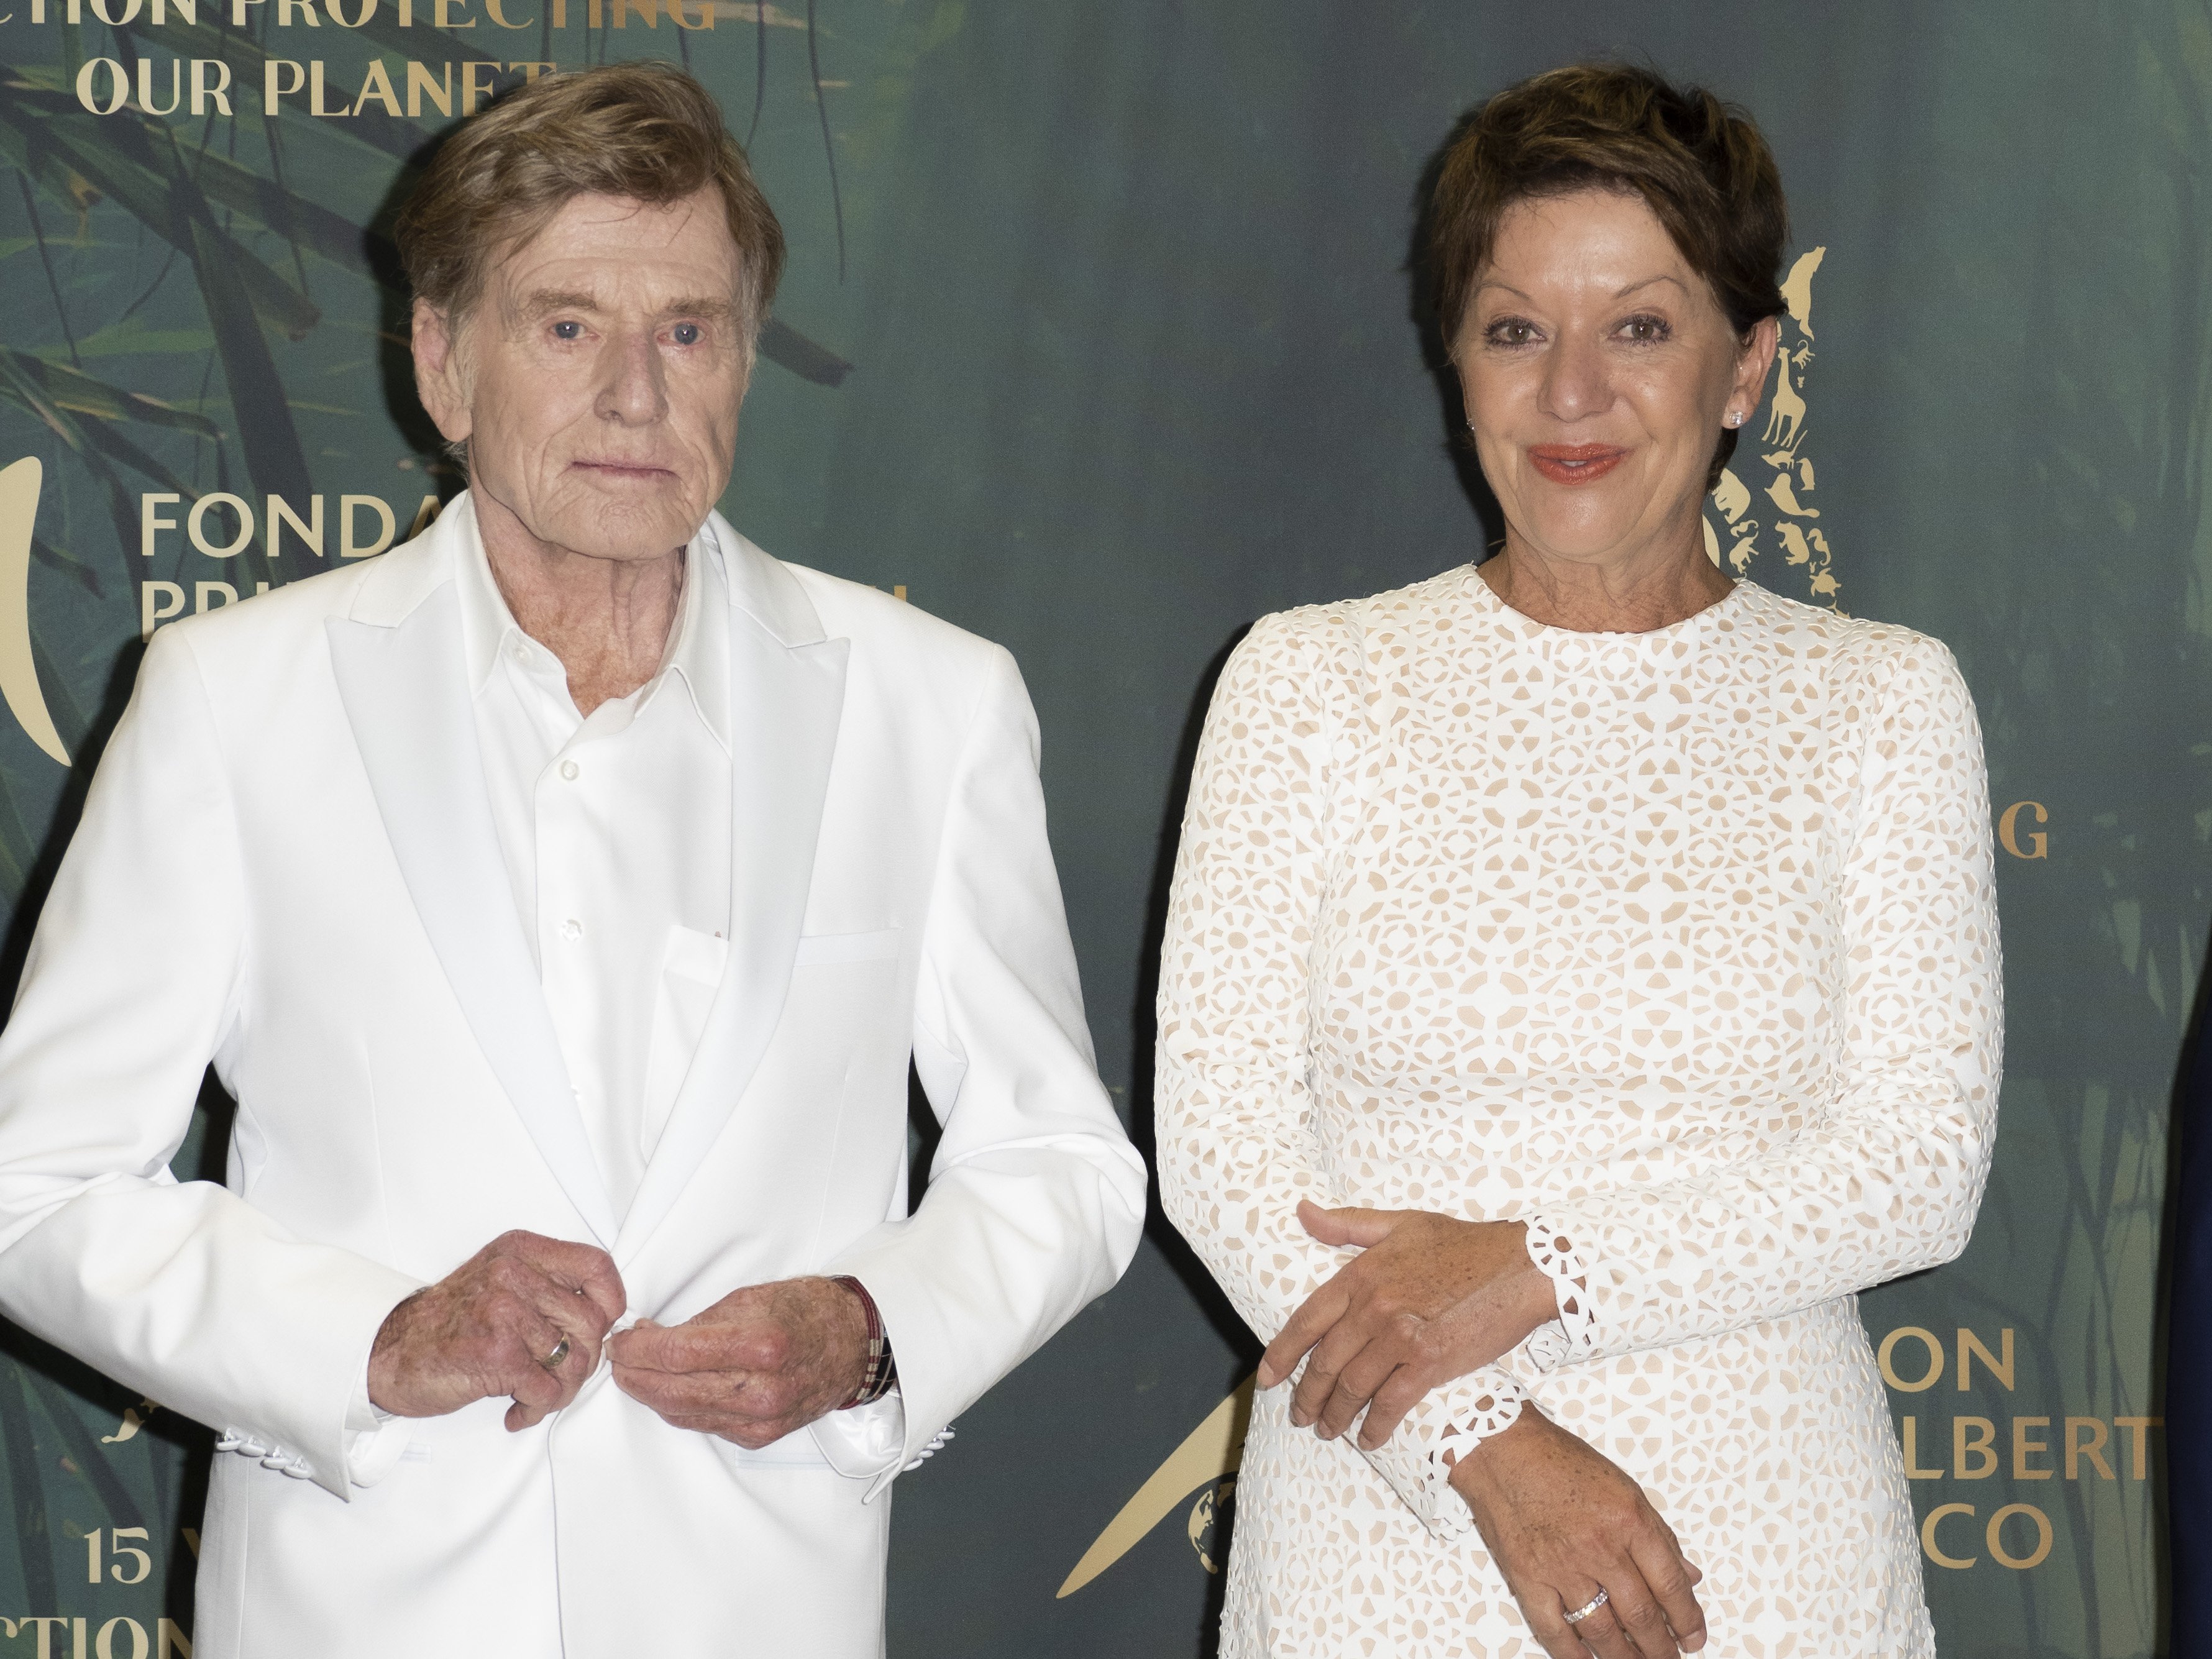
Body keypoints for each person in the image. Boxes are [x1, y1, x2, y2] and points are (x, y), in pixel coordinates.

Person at [0, 62, 1143, 1658]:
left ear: (743, 362)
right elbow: (35, 1184)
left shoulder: (928, 707)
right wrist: (377, 1342)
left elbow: (1063, 1169)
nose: (636, 393)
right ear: (439, 362)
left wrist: (872, 1332)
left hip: (760, 1608)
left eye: (687, 329)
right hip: (362, 1612)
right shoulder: (235, 702)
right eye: (565, 326)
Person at [1156, 62, 2001, 1659]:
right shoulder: (1307, 680)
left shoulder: (1880, 702)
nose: (1570, 395)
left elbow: (1914, 1168)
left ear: (1745, 366)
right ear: (1456, 363)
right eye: (1514, 328)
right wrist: (1495, 1452)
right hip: (1383, 1513)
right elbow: (1222, 1162)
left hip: (1761, 1544)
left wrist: (1537, 1269)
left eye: (1640, 326)